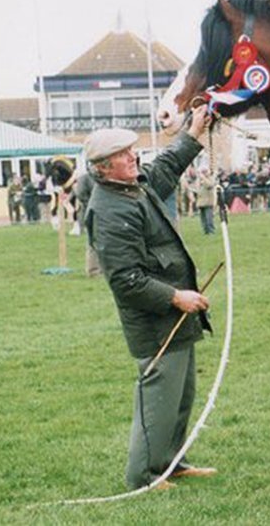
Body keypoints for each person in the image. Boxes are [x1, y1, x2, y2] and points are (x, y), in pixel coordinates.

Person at [84, 105, 218, 491]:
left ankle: (171, 463)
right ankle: (143, 476)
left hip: (176, 315)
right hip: (156, 320)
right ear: (103, 168)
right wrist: (176, 297)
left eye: (131, 151)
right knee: (159, 398)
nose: (134, 157)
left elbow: (166, 167)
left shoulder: (133, 186)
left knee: (180, 396)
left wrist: (192, 133)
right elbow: (125, 280)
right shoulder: (109, 210)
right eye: (123, 156)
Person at [74, 171, 102, 277]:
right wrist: (93, 205)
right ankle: (93, 270)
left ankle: (102, 268)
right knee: (92, 242)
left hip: (103, 213)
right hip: (90, 214)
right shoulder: (84, 178)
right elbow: (81, 195)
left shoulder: (102, 177)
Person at [194, 167, 216, 235]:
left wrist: (203, 178)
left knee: (209, 218)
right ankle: (205, 231)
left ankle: (211, 231)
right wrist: (198, 178)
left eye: (205, 171)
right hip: (201, 202)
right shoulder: (199, 180)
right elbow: (196, 188)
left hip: (208, 202)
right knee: (203, 219)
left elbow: (210, 185)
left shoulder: (210, 178)